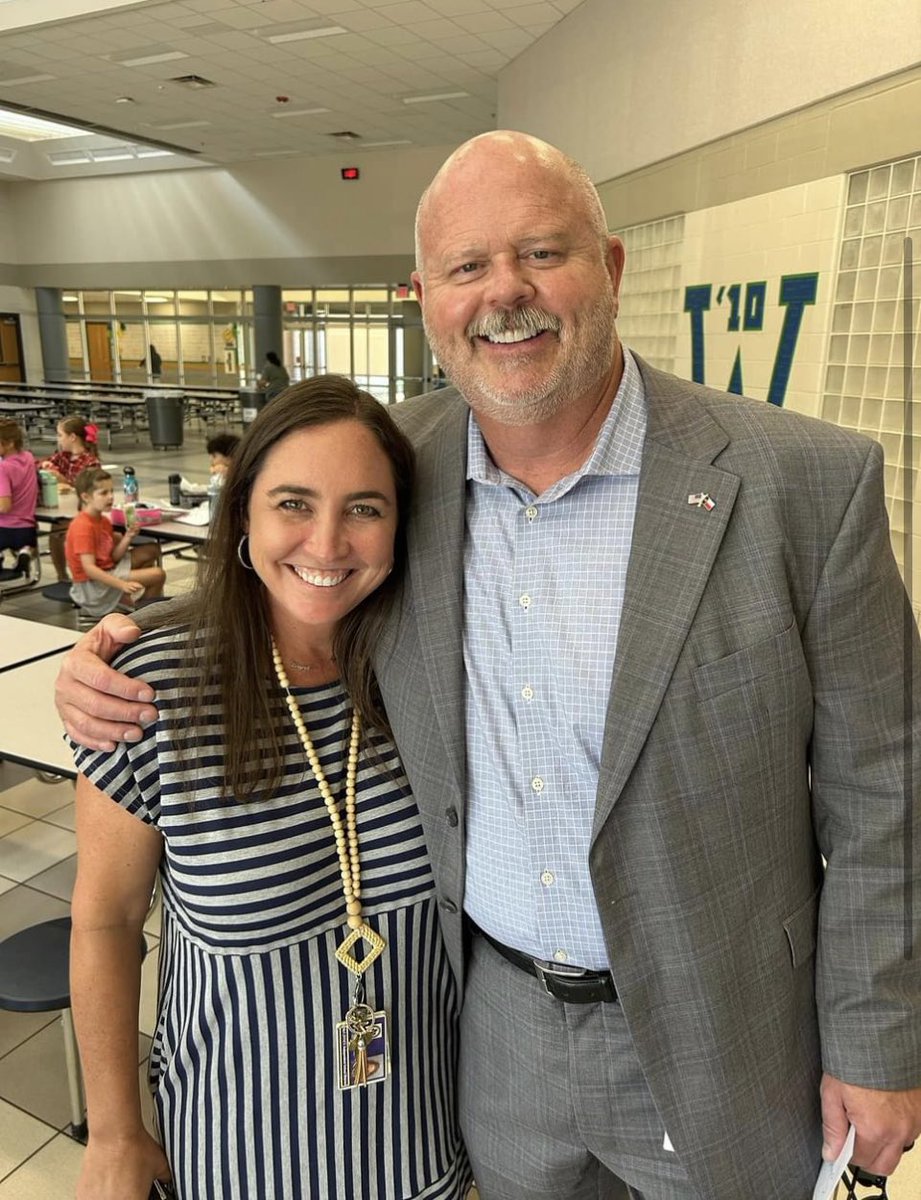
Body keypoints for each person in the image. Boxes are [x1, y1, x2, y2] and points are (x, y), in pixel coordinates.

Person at [56, 132, 921, 1200]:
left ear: (609, 267)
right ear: (426, 298)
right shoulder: (399, 468)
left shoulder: (805, 481)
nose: (504, 293)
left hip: (728, 1033)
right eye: (468, 267)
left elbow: (885, 790)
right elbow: (293, 568)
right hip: (494, 1039)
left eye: (541, 253)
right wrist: (113, 652)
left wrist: (878, 1043)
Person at [66, 379, 471, 1200]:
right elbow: (105, 922)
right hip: (240, 1150)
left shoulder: (435, 672)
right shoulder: (150, 686)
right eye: (294, 502)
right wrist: (113, 1134)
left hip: (423, 1147)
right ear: (242, 512)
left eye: (364, 508)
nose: (326, 544)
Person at [65, 467, 166, 617]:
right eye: (104, 493)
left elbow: (112, 557)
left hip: (107, 569)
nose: (111, 497)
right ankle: (143, 616)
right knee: (158, 575)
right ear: (86, 497)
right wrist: (122, 585)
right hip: (92, 586)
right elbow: (90, 569)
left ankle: (132, 604)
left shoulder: (103, 520)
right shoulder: (83, 526)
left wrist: (128, 537)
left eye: (112, 491)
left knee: (152, 550)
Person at [40, 415, 102, 581]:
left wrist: (62, 479)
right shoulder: (63, 456)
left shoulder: (90, 462)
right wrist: (46, 465)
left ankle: (82, 575)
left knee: (65, 532)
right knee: (55, 531)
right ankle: (61, 575)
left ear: (73, 437)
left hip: (82, 510)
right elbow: (43, 463)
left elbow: (87, 491)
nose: (58, 439)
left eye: (60, 435)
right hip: (64, 507)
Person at [0, 417, 38, 578]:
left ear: (9, 443)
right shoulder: (28, 458)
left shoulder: (3, 468)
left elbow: (4, 506)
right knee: (26, 545)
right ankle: (25, 552)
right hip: (27, 528)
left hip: (4, 529)